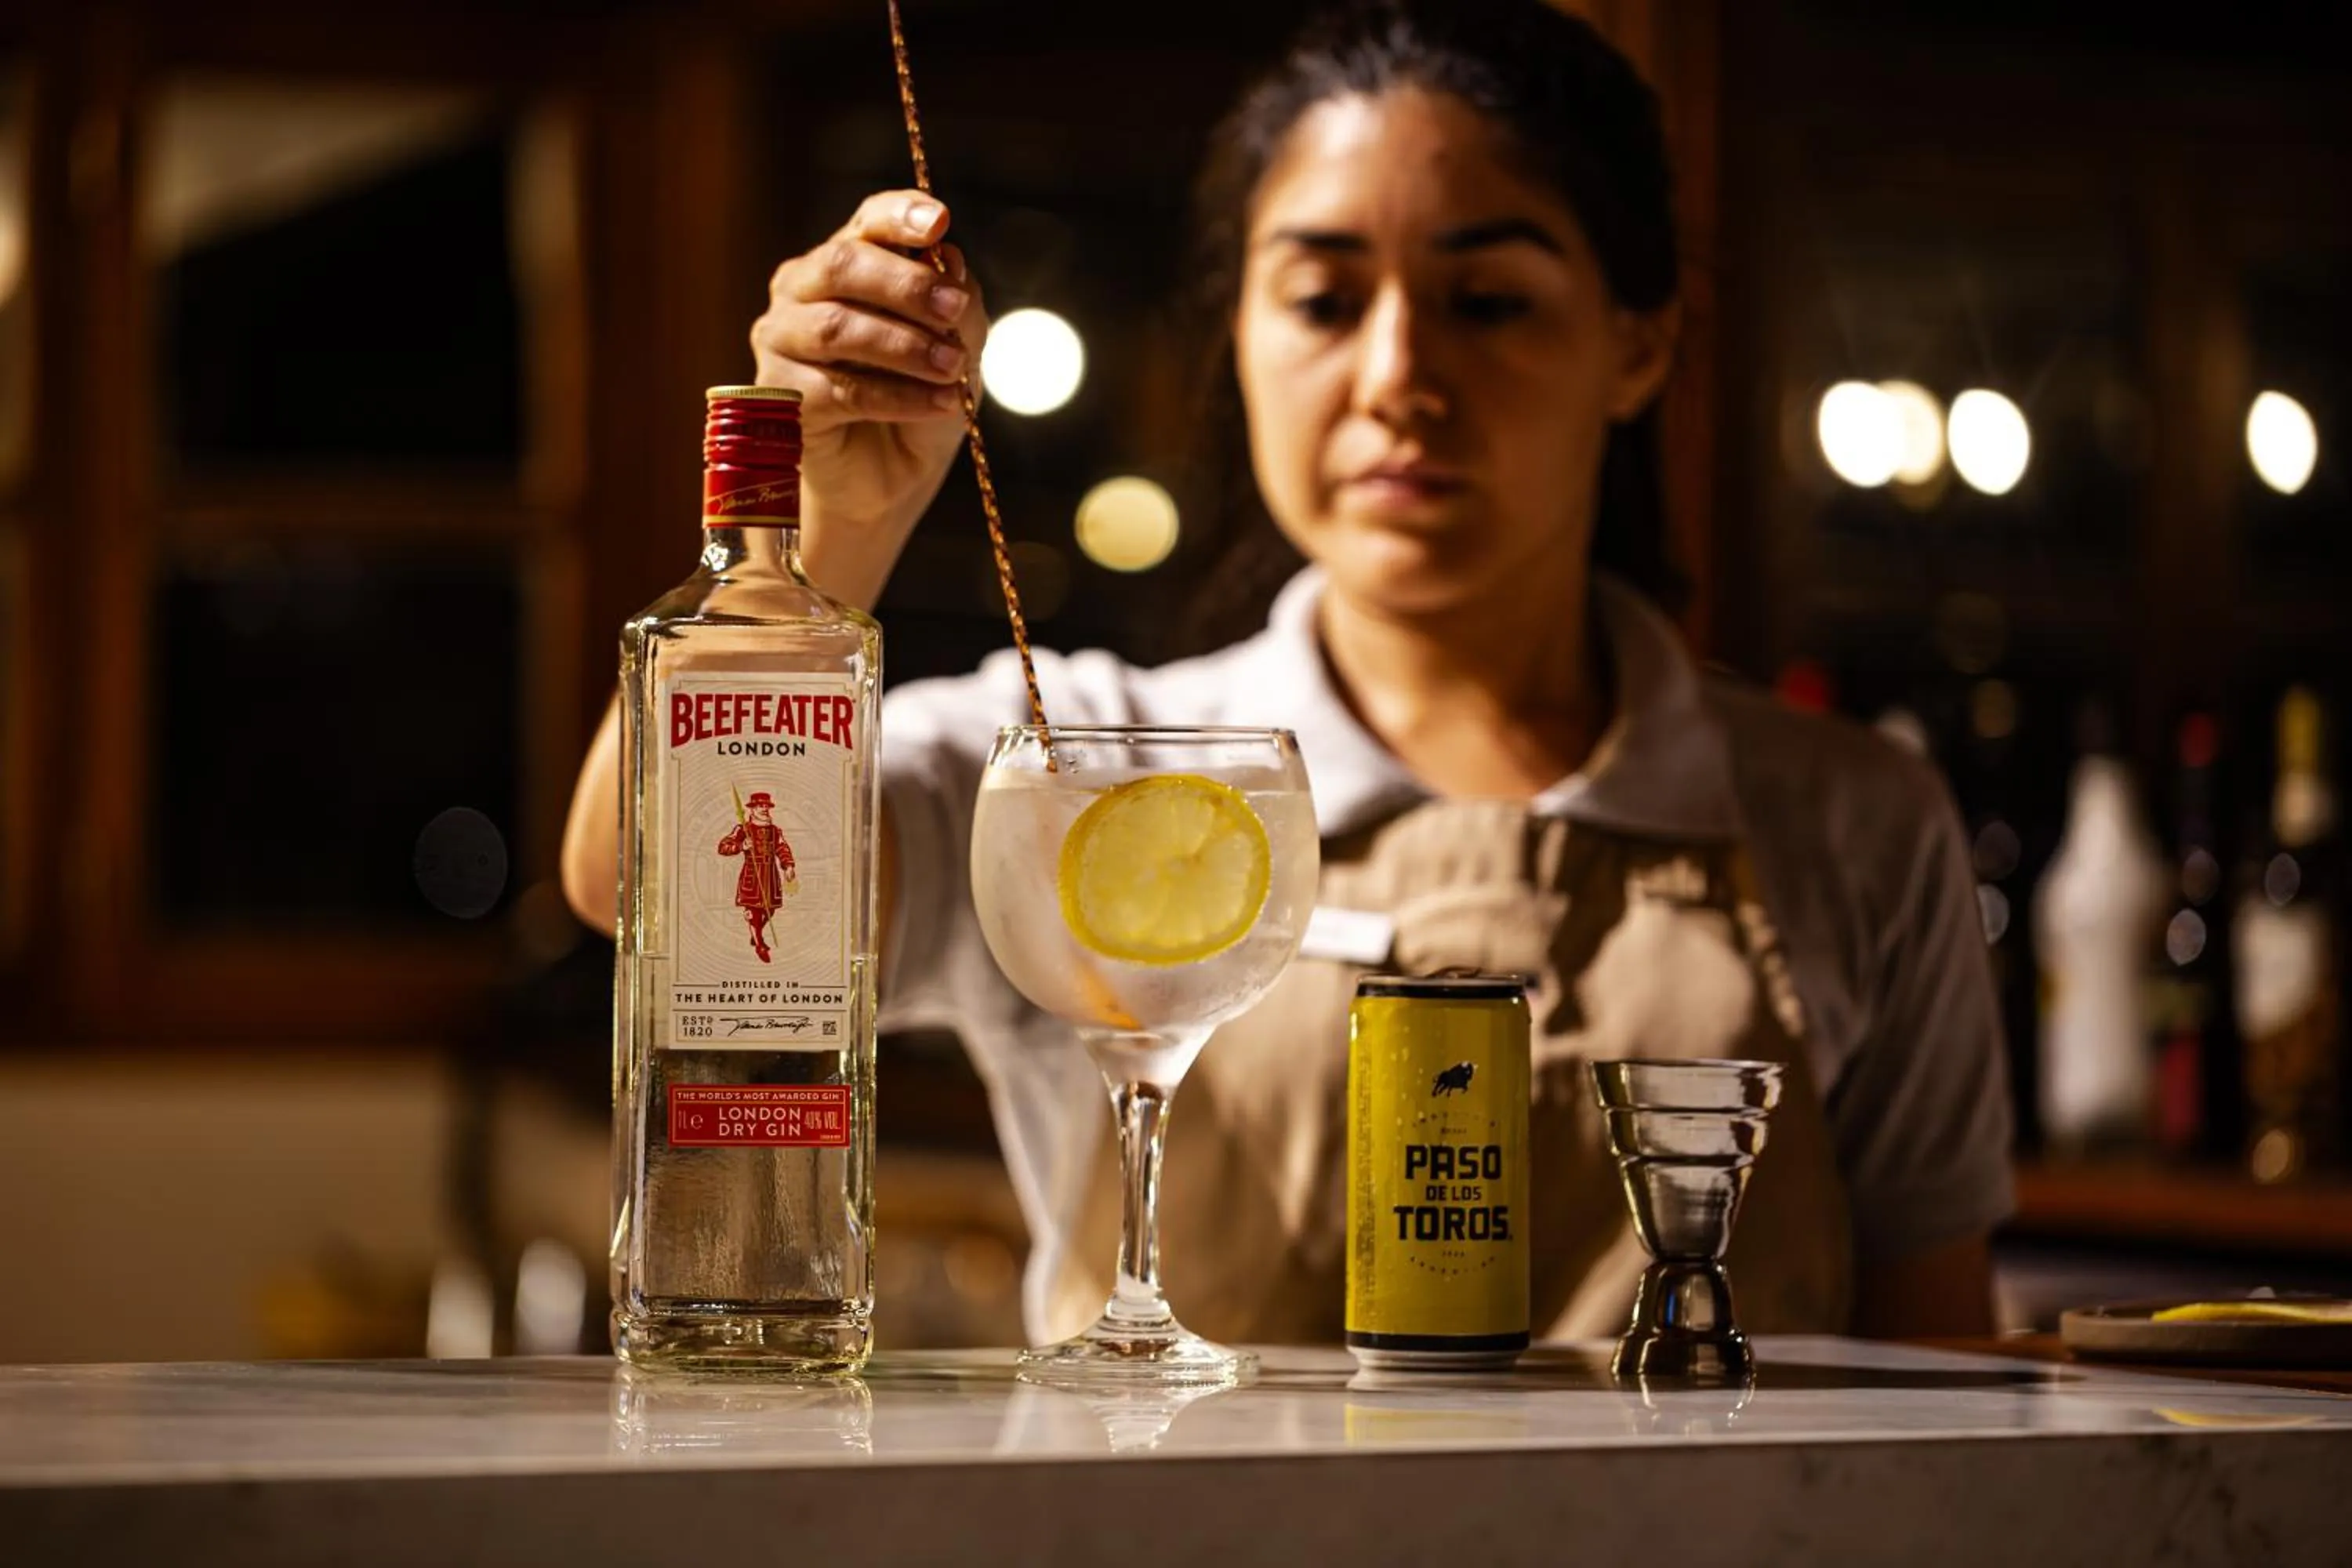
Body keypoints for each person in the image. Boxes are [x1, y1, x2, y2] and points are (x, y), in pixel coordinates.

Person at [564, 0, 2013, 1345]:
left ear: (1639, 345)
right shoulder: (1071, 768)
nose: (1397, 377)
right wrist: (830, 528)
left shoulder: (1854, 822)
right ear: (1241, 339)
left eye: (1487, 301)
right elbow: (645, 887)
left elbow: (1937, 1379)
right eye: (1323, 301)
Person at [717, 791, 797, 963]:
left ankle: (756, 933)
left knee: (770, 910)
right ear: (752, 809)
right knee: (753, 912)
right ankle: (760, 945)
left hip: (771, 876)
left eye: (767, 806)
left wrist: (789, 866)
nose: (765, 808)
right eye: (761, 805)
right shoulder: (743, 829)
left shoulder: (775, 831)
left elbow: (782, 848)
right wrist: (741, 846)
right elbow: (723, 847)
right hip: (752, 875)